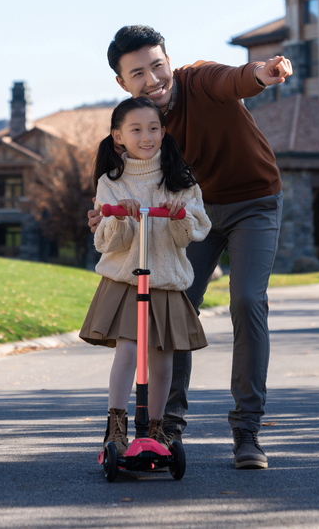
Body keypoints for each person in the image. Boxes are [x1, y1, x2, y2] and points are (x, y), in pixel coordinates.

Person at [90, 25, 292, 469]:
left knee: (247, 301)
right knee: (172, 306)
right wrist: (105, 213)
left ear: (169, 61)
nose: (154, 79)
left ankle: (247, 431)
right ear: (122, 83)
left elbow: (236, 78)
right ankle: (165, 426)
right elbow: (125, 183)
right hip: (187, 217)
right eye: (138, 73)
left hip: (252, 203)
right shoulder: (141, 126)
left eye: (158, 65)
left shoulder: (198, 79)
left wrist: (262, 72)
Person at [80, 96, 212, 457]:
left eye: (153, 128)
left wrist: (178, 215)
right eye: (136, 129)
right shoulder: (112, 183)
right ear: (118, 137)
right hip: (126, 281)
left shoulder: (180, 180)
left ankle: (157, 428)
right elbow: (107, 240)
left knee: (163, 357)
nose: (146, 136)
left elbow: (193, 231)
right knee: (127, 352)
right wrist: (121, 217)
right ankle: (117, 425)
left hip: (165, 281)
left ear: (163, 131)